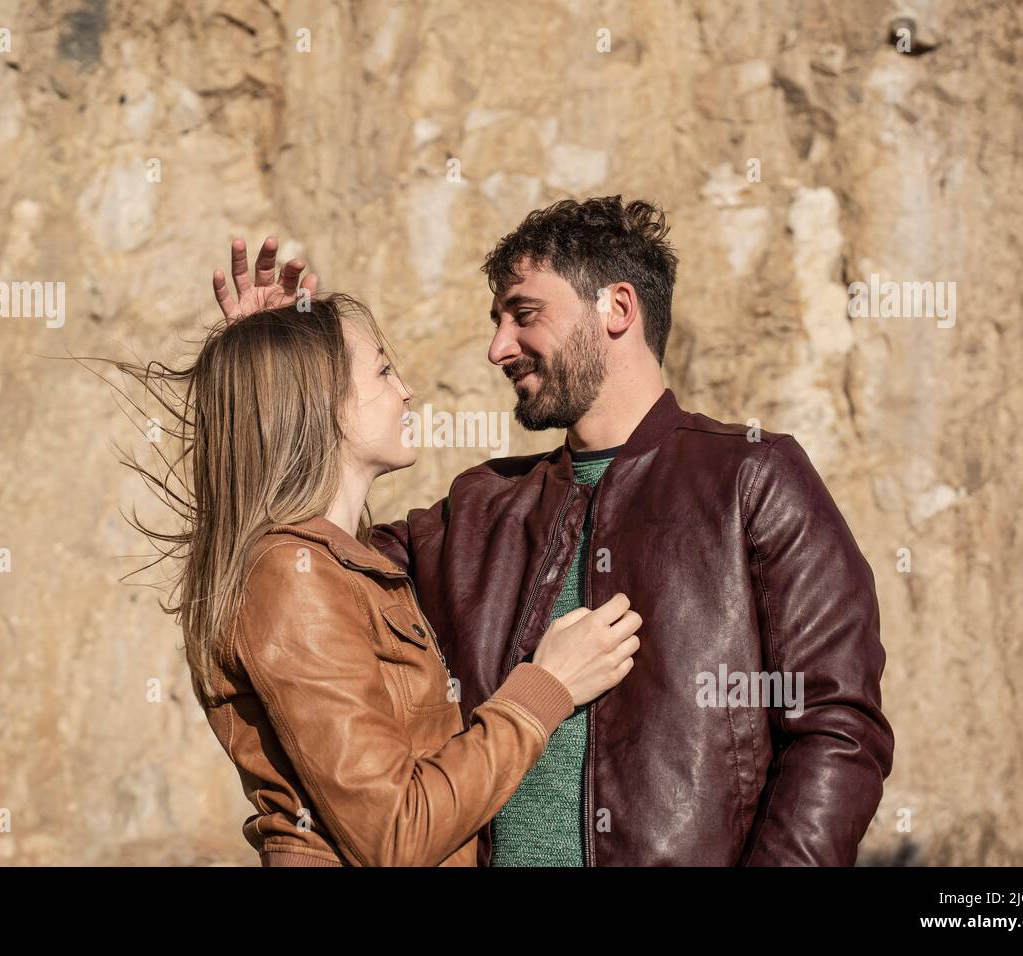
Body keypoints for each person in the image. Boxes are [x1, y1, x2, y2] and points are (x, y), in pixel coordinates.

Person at [212, 196, 894, 866]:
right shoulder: (475, 510)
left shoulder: (753, 478)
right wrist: (277, 379)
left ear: (617, 309)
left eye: (524, 315)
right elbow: (303, 568)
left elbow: (838, 730)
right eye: (497, 321)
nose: (498, 347)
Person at [114, 288, 641, 866]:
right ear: (319, 400)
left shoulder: (341, 564)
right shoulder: (291, 577)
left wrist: (270, 343)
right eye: (384, 370)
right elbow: (397, 832)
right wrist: (547, 685)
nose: (406, 390)